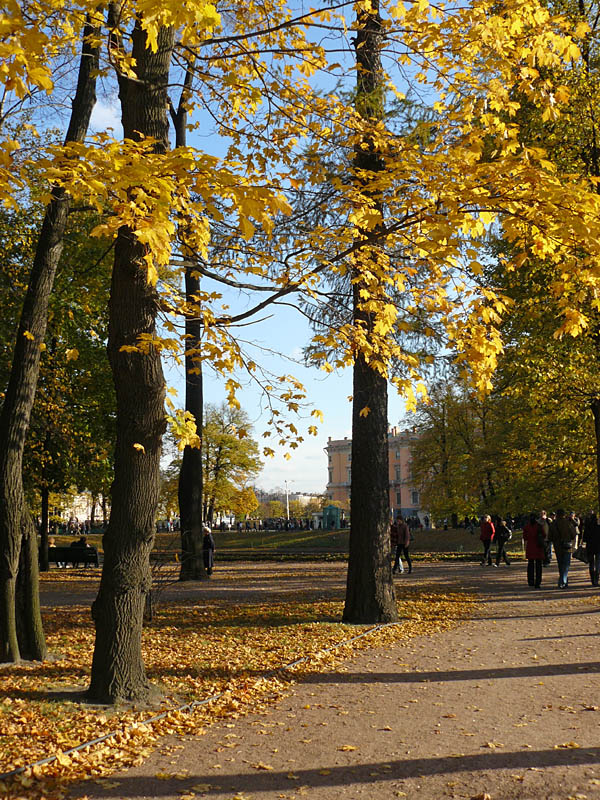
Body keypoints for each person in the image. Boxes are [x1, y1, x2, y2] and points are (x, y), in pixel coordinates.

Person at [550, 509, 576, 589]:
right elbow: (573, 534)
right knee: (566, 565)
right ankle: (563, 581)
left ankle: (563, 581)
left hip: (558, 547)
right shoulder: (568, 523)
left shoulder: (553, 524)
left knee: (561, 565)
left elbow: (550, 537)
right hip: (567, 546)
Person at [522, 512, 545, 588]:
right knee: (538, 566)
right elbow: (544, 535)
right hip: (538, 547)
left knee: (530, 565)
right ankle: (538, 582)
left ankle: (531, 581)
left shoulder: (527, 527)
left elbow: (525, 537)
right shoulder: (539, 526)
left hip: (530, 547)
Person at [583, 512, 600, 586]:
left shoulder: (587, 528)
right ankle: (597, 578)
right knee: (598, 563)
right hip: (598, 547)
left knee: (591, 564)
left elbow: (584, 539)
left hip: (590, 547)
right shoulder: (598, 527)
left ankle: (592, 579)